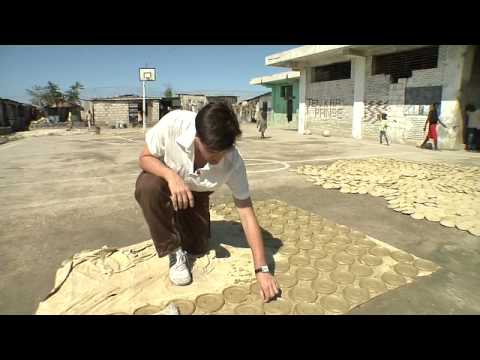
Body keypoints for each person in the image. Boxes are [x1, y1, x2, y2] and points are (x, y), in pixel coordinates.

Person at [134, 102, 280, 302]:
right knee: (147, 186)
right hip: (167, 184)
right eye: (211, 151)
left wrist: (261, 269)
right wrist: (171, 176)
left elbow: (246, 213)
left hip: (197, 195)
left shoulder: (233, 161)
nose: (218, 158)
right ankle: (172, 249)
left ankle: (183, 223)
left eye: (223, 151)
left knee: (198, 248)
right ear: (197, 138)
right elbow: (144, 158)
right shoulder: (173, 124)